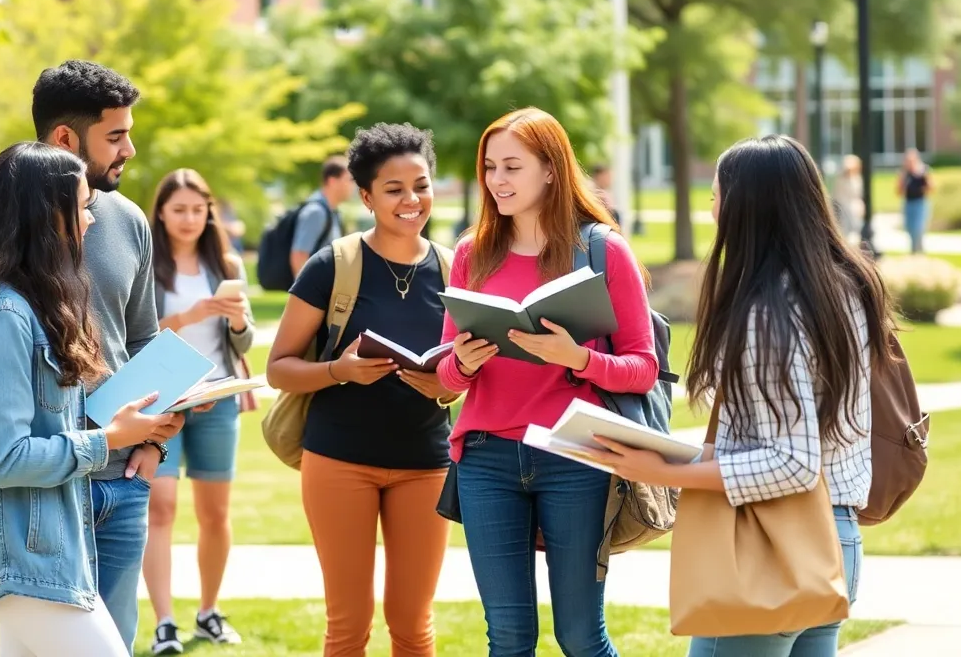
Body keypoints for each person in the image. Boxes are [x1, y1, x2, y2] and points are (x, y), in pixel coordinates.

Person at [587, 135, 892, 657]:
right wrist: (678, 455)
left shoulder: (769, 312)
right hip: (834, 541)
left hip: (771, 548)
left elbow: (792, 462)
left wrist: (663, 472)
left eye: (715, 196)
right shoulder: (846, 286)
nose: (711, 211)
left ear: (745, 206)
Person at [0, 142, 181, 657]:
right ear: (44, 215)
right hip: (23, 557)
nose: (91, 220)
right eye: (81, 206)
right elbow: (7, 459)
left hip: (42, 549)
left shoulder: (26, 304)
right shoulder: (3, 317)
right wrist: (109, 440)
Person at [436, 108, 658, 657]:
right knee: (508, 638)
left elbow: (643, 366)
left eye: (513, 166)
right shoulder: (472, 253)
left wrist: (576, 358)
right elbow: (444, 375)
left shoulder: (602, 250)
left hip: (575, 456)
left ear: (551, 170)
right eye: (490, 167)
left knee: (580, 636)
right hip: (486, 458)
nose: (497, 180)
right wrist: (462, 361)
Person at [267, 124, 457, 657]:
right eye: (393, 189)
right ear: (367, 196)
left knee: (413, 625)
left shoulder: (452, 269)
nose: (411, 199)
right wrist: (338, 372)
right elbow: (278, 368)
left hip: (426, 463)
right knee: (348, 626)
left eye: (420, 185)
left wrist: (445, 384)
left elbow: (466, 370)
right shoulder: (334, 265)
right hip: (339, 461)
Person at [31, 60, 172, 654]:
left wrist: (156, 437)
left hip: (125, 481)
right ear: (66, 138)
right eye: (115, 136)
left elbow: (143, 341)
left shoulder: (130, 220)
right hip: (41, 486)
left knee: (116, 641)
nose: (130, 150)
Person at [143, 169, 256, 654]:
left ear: (209, 211)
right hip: (162, 400)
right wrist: (185, 319)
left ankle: (208, 611)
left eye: (198, 208)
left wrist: (237, 322)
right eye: (178, 209)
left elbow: (245, 340)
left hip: (217, 396)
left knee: (215, 513)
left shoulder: (226, 263)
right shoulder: (145, 264)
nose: (189, 218)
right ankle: (164, 621)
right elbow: (135, 335)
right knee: (161, 507)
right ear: (161, 213)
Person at [289, 155, 353, 277]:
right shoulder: (316, 212)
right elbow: (299, 255)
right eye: (349, 180)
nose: (353, 186)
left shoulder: (332, 212)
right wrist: (305, 292)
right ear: (332, 181)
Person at [897, 149, 933, 253]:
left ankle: (919, 252)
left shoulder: (923, 171)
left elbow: (931, 188)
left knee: (918, 229)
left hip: (920, 203)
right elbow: (899, 191)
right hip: (908, 203)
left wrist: (923, 176)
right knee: (910, 229)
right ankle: (914, 252)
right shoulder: (905, 174)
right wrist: (903, 177)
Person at [832, 154, 865, 244]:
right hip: (843, 207)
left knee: (855, 231)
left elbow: (858, 195)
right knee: (844, 231)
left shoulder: (857, 178)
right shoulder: (841, 179)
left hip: (854, 208)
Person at [589, 162, 621, 227]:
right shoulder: (594, 192)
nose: (610, 179)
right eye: (607, 176)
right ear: (599, 176)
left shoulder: (605, 192)